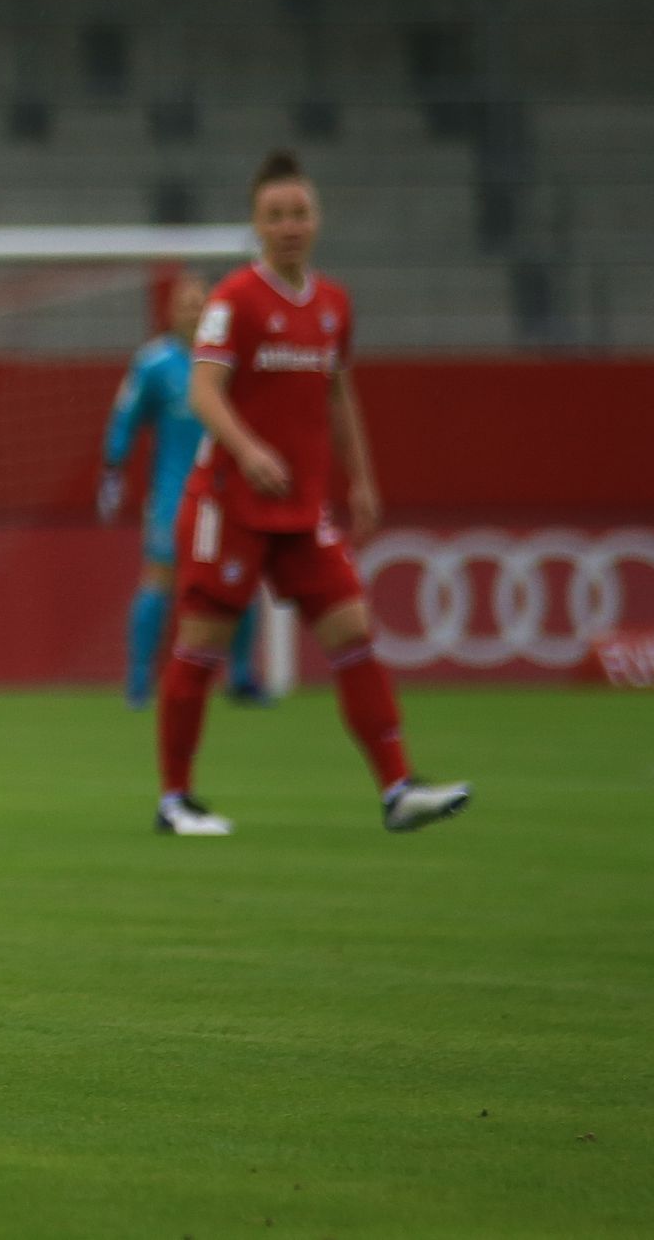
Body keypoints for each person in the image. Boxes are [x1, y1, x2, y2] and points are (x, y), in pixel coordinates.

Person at [152, 150, 469, 836]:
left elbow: (338, 391)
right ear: (256, 224)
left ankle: (397, 788)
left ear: (318, 220)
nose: (290, 225)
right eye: (276, 215)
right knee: (201, 645)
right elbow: (204, 392)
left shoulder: (332, 305)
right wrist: (249, 448)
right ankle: (175, 799)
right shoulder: (231, 301)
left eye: (299, 212)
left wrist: (363, 478)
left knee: (353, 630)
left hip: (301, 512)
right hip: (229, 503)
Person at [97, 271, 263, 710]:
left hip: (231, 488)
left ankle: (241, 676)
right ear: (170, 312)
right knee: (160, 578)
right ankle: (138, 681)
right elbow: (125, 417)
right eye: (184, 304)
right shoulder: (154, 362)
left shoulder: (234, 358)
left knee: (241, 579)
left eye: (199, 303)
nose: (192, 311)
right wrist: (113, 468)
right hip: (174, 492)